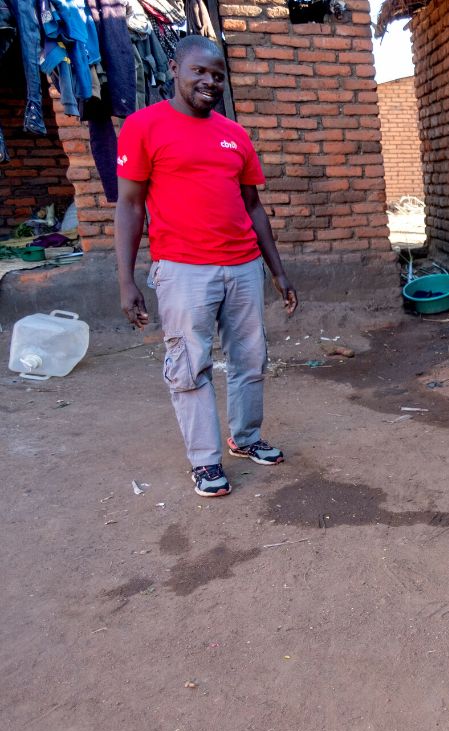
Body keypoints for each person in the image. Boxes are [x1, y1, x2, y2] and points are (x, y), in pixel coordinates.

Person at [114, 34, 298, 498]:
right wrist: (126, 281)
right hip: (182, 270)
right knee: (189, 365)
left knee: (250, 359)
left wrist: (276, 270)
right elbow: (130, 207)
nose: (210, 82)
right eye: (200, 71)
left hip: (242, 267)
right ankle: (205, 461)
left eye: (218, 75)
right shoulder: (143, 127)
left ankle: (246, 437)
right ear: (174, 68)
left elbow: (253, 206)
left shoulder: (234, 134)